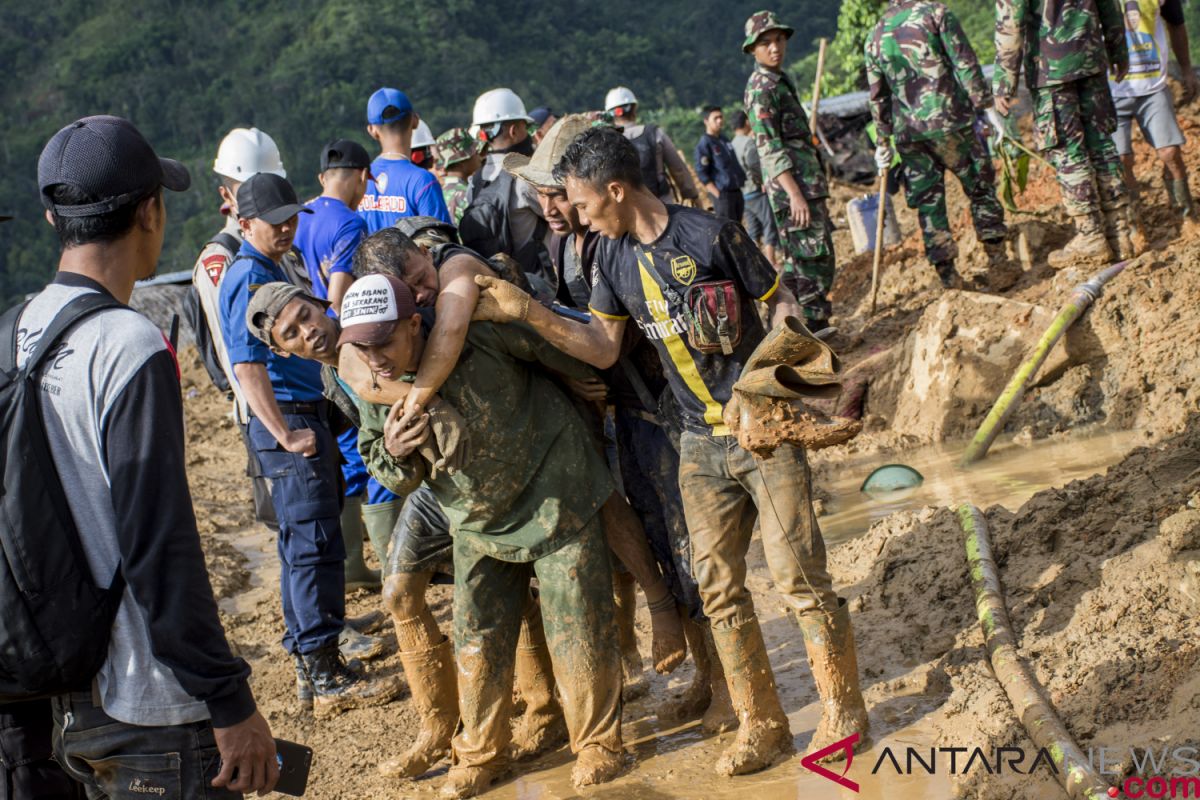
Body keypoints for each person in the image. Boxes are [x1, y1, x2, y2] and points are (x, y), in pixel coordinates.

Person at [471, 126, 870, 776]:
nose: (575, 211)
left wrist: (761, 384)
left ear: (617, 190)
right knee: (717, 588)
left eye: (581, 199)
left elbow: (783, 307)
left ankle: (843, 710)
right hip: (692, 444)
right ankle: (762, 724)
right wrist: (527, 312)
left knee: (799, 575)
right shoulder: (611, 259)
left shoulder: (711, 235)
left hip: (759, 434)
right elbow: (602, 347)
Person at [26, 114, 277, 797]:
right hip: (155, 710)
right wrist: (227, 699)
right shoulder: (129, 346)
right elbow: (160, 548)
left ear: (55, 223)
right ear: (150, 212)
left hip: (68, 700)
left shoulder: (15, 337)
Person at [243, 281, 566, 780]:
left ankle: (544, 708)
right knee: (397, 592)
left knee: (505, 578)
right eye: (292, 333)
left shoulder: (371, 335)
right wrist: (393, 450)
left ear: (322, 304)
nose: (309, 331)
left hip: (486, 468)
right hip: (431, 486)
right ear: (282, 350)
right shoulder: (333, 381)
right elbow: (380, 456)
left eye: (307, 314)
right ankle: (440, 724)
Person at [342, 274, 626, 797]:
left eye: (383, 342)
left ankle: (597, 743)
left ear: (413, 324)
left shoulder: (477, 333)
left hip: (554, 487)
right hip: (473, 516)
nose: (374, 357)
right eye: (361, 347)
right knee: (478, 637)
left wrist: (578, 380)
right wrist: (399, 451)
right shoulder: (375, 387)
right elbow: (386, 469)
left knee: (577, 625)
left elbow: (548, 347)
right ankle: (481, 753)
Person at [504, 114, 735, 730]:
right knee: (660, 537)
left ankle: (731, 687)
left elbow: (613, 337)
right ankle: (710, 677)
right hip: (626, 410)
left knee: (693, 546)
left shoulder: (620, 236)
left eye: (561, 194)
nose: (555, 208)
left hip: (668, 404)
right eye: (546, 196)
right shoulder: (567, 242)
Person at [217, 171, 403, 717]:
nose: (286, 228)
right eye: (274, 223)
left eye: (290, 218)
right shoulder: (247, 277)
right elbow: (245, 364)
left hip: (303, 414)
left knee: (309, 541)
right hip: (289, 420)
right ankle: (323, 673)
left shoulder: (272, 264)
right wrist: (284, 433)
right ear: (243, 222)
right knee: (312, 545)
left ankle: (313, 659)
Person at [292, 137, 399, 593]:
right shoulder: (350, 222)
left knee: (350, 452)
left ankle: (354, 565)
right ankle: (398, 562)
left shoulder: (299, 218)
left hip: (309, 352)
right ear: (360, 178)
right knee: (376, 443)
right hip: (343, 346)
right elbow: (337, 296)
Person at [865, 0, 1017, 291]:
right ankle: (998, 262)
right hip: (950, 122)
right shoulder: (935, 14)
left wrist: (883, 141)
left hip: (910, 136)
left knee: (929, 205)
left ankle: (949, 277)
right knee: (980, 186)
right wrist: (985, 105)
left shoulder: (875, 35)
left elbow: (877, 96)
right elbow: (965, 62)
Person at [994, 0, 1135, 266]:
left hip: (1051, 69)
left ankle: (1091, 236)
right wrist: (1119, 52)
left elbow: (1010, 22)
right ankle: (1120, 233)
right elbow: (1110, 8)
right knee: (1102, 145)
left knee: (1069, 150)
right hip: (1091, 59)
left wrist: (1004, 81)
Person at [743, 11, 838, 331]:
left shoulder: (778, 80)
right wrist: (794, 193)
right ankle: (813, 328)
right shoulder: (761, 88)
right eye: (765, 43)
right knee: (812, 259)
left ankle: (789, 328)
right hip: (793, 189)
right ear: (753, 50)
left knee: (805, 260)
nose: (774, 48)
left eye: (778, 40)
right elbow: (768, 147)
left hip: (804, 184)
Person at [1110, 0, 1197, 222]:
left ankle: (1186, 216)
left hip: (1152, 86)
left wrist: (1186, 68)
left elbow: (1176, 24)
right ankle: (1134, 223)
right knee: (1121, 159)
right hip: (1111, 90)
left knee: (1170, 153)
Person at [460, 89, 554, 293]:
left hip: (492, 288)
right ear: (514, 130)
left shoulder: (475, 181)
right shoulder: (526, 176)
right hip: (537, 287)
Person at [359, 87, 451, 232]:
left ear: (372, 130)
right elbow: (441, 243)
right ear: (415, 121)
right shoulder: (423, 181)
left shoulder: (359, 180)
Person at [605, 86, 700, 204]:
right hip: (661, 205)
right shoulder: (655, 134)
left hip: (627, 209)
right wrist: (691, 194)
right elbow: (678, 169)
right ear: (634, 109)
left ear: (611, 114)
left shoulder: (607, 141)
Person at [731, 109, 779, 265]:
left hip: (742, 193)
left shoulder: (731, 144)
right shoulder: (748, 142)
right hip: (755, 190)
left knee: (753, 228)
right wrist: (761, 181)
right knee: (769, 223)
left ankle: (757, 263)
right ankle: (771, 261)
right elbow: (753, 164)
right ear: (746, 122)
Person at [695, 105, 748, 224]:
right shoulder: (705, 143)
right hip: (723, 194)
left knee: (738, 228)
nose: (720, 120)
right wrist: (717, 194)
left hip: (736, 191)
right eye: (715, 118)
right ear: (706, 121)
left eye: (721, 117)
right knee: (728, 230)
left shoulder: (724, 139)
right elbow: (702, 172)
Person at [435, 127, 481, 225]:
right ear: (461, 163)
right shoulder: (467, 195)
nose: (478, 154)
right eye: (473, 152)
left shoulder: (437, 193)